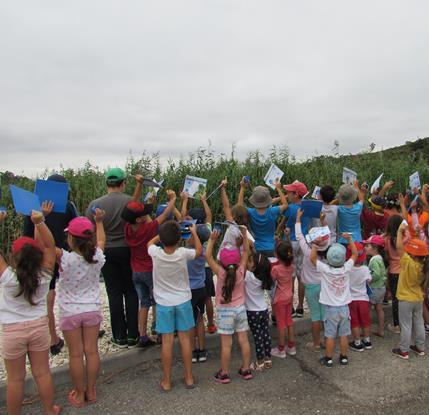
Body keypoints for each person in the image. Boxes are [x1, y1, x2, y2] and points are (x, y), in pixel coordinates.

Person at [0, 210, 60, 415]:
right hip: (38, 327)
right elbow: (50, 245)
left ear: (13, 257)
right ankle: (49, 410)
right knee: (42, 373)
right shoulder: (44, 274)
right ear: (39, 256)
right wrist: (40, 222)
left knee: (15, 379)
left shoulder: (7, 278)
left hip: (12, 331)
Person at [23, 173, 78, 355]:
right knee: (74, 292)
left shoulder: (33, 208)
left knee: (48, 296)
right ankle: (80, 329)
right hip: (63, 254)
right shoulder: (68, 206)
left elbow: (27, 235)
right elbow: (76, 229)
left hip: (41, 257)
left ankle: (53, 339)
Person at [86, 168, 141, 348]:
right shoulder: (129, 202)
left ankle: (119, 336)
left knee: (114, 292)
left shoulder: (95, 204)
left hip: (106, 251)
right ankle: (133, 335)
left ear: (106, 183)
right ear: (123, 183)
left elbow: (89, 230)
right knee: (131, 292)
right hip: (128, 250)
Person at [56, 211, 106, 408]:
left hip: (70, 312)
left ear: (70, 239)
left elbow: (46, 245)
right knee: (92, 352)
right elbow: (101, 239)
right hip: (92, 309)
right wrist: (99, 221)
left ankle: (79, 393)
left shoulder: (65, 258)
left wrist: (39, 222)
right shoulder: (97, 257)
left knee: (75, 355)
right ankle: (91, 389)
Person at [148, 220, 202, 391]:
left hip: (164, 304)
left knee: (167, 343)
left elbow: (149, 242)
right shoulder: (183, 253)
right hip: (183, 300)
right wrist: (193, 232)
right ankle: (189, 377)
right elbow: (199, 251)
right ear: (179, 239)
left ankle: (167, 380)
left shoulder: (155, 253)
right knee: (186, 340)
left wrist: (162, 236)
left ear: (162, 239)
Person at [122, 190, 177, 347]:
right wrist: (172, 199)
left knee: (144, 303)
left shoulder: (127, 228)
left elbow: (132, 212)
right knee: (158, 302)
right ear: (139, 219)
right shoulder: (148, 229)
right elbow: (165, 215)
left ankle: (143, 336)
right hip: (150, 270)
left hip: (136, 272)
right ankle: (160, 334)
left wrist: (148, 203)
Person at [205, 227, 253, 384]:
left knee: (226, 344)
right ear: (237, 259)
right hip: (240, 309)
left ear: (221, 261)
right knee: (244, 340)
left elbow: (207, 256)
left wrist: (212, 240)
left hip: (225, 311)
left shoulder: (220, 272)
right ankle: (246, 369)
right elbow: (246, 252)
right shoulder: (240, 270)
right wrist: (244, 235)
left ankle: (224, 373)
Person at [310, 234, 358, 367]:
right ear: (343, 258)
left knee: (330, 335)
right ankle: (343, 357)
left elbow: (312, 258)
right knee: (344, 334)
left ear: (328, 258)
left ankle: (328, 358)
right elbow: (355, 254)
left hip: (330, 309)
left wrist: (315, 244)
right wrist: (349, 240)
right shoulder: (346, 268)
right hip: (344, 308)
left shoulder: (325, 269)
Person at [181, 190, 217, 335]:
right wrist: (203, 199)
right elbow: (209, 215)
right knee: (207, 298)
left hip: (192, 274)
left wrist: (184, 200)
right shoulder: (207, 230)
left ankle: (195, 325)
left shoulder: (190, 234)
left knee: (194, 302)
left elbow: (183, 217)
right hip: (207, 268)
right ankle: (211, 324)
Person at [392, 223, 428, 359]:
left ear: (412, 253)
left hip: (405, 299)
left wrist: (400, 231)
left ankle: (404, 350)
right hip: (418, 299)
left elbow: (399, 246)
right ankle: (420, 347)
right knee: (419, 322)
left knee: (406, 325)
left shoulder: (408, 261)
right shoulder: (424, 266)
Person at [295, 209, 330, 352]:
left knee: (315, 316)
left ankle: (316, 343)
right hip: (324, 286)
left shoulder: (308, 251)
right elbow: (328, 235)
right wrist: (323, 221)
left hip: (310, 287)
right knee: (325, 316)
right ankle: (328, 341)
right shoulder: (329, 253)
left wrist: (298, 219)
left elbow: (299, 236)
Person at [281, 180, 309, 317]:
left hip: (291, 241)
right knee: (301, 275)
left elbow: (284, 221)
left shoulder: (290, 208)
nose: (287, 194)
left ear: (296, 194)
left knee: (291, 275)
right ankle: (300, 307)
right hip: (304, 242)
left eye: (289, 192)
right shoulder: (308, 207)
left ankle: (291, 306)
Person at [238, 179, 288, 256]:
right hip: (272, 247)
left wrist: (242, 187)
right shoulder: (272, 211)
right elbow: (285, 205)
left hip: (257, 248)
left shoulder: (251, 212)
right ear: (267, 199)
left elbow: (239, 206)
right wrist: (278, 188)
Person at [186, 223, 211, 363]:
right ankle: (202, 351)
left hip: (189, 291)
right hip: (201, 288)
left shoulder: (187, 253)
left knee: (190, 322)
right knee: (200, 319)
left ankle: (193, 350)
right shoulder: (204, 251)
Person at [244, 252, 273, 371]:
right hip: (264, 310)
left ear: (254, 267)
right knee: (265, 334)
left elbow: (243, 258)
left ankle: (260, 362)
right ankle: (268, 359)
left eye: (250, 262)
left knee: (257, 336)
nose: (247, 262)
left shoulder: (248, 277)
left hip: (252, 312)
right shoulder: (264, 278)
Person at [270, 240, 296, 358]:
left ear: (277, 255)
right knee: (289, 322)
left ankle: (281, 350)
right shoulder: (291, 267)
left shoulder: (276, 269)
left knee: (281, 325)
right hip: (289, 297)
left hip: (280, 299)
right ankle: (291, 347)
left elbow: (272, 281)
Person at [384, 215, 409, 334]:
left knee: (395, 299)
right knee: (405, 298)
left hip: (393, 272)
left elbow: (386, 253)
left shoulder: (387, 240)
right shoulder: (405, 238)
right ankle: (407, 323)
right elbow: (408, 233)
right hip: (404, 271)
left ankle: (397, 325)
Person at [347, 243, 373, 352]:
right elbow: (369, 280)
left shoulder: (347, 269)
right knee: (365, 320)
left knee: (355, 321)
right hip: (363, 299)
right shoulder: (365, 269)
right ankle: (367, 340)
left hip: (351, 299)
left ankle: (357, 342)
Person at [363, 235, 387, 337]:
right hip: (381, 288)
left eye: (367, 245)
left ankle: (365, 331)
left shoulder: (374, 259)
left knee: (367, 309)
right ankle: (381, 330)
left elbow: (376, 274)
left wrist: (369, 279)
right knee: (379, 308)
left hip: (374, 288)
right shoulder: (380, 258)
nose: (365, 247)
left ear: (375, 248)